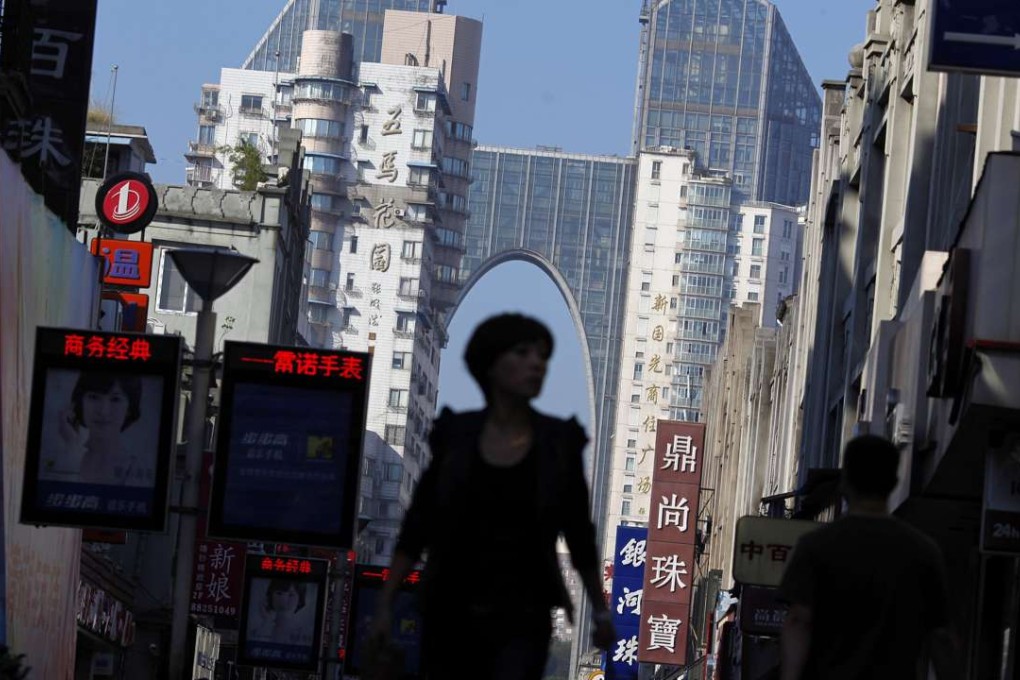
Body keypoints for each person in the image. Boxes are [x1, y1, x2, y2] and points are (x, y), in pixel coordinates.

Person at [369, 313, 615, 680]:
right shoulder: (457, 436)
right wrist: (386, 603)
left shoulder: (558, 443)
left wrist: (599, 610)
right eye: (522, 352)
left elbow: (579, 536)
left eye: (543, 356)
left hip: (523, 616)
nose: (536, 363)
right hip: (450, 610)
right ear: (491, 364)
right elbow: (418, 526)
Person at [778, 434, 960, 679]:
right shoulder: (923, 551)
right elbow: (941, 637)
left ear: (844, 484)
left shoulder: (815, 547)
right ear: (894, 482)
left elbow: (799, 621)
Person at [43, 371, 153, 486]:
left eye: (115, 400)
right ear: (79, 403)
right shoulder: (57, 458)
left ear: (129, 408)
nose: (103, 411)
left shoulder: (139, 470)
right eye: (94, 397)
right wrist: (72, 446)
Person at [248, 579, 312, 645]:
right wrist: (267, 621)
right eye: (279, 593)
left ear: (300, 600)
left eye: (291, 595)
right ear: (270, 596)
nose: (284, 598)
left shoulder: (305, 633)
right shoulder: (259, 629)